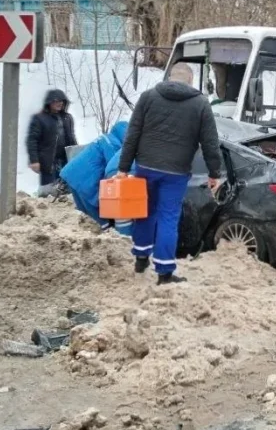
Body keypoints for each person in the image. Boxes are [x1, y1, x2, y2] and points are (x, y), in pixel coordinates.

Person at [116, 63, 223, 285]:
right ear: (190, 82)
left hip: (146, 166)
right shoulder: (200, 103)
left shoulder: (148, 97)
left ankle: (141, 257)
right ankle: (164, 272)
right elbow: (210, 142)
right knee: (168, 218)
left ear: (170, 78)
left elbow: (132, 133)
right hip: (176, 171)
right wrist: (214, 172)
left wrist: (123, 168)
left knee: (144, 211)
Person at [58, 120, 135, 236]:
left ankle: (87, 236)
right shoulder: (113, 143)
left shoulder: (104, 138)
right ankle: (108, 236)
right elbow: (114, 170)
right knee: (98, 215)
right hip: (85, 181)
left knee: (85, 214)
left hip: (71, 174)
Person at [27, 89, 77, 188]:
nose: (59, 103)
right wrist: (34, 160)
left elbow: (72, 137)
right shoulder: (39, 119)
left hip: (66, 159)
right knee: (49, 191)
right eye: (56, 101)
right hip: (48, 161)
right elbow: (32, 140)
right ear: (49, 102)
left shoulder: (68, 118)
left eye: (61, 101)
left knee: (67, 189)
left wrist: (76, 156)